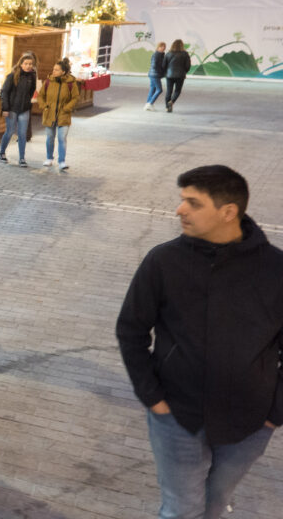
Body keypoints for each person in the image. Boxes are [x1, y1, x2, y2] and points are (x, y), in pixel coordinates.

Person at [116, 165, 282, 519]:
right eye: (182, 200)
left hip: (250, 422)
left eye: (193, 203)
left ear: (228, 212)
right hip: (177, 416)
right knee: (182, 509)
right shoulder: (163, 261)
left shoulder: (276, 269)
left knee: (216, 501)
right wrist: (153, 397)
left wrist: (275, 412)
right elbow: (131, 329)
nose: (180, 210)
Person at [0, 51, 38, 166]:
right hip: (11, 109)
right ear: (21, 64)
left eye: (30, 64)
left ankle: (22, 158)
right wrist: (5, 108)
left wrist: (27, 103)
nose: (28, 66)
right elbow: (4, 92)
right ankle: (2, 153)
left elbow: (31, 91)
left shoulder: (32, 76)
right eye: (26, 63)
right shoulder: (12, 76)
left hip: (24, 109)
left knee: (22, 134)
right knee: (10, 131)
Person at [38, 58, 78, 172]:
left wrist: (67, 108)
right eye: (53, 69)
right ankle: (49, 158)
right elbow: (41, 96)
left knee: (62, 138)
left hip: (63, 115)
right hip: (49, 114)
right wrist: (44, 106)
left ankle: (62, 161)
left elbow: (75, 98)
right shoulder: (48, 82)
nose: (53, 71)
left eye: (56, 70)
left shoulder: (71, 83)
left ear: (63, 72)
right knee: (50, 138)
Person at [165, 39, 192, 112]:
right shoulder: (185, 54)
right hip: (180, 75)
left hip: (169, 75)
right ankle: (172, 102)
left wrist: (166, 72)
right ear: (182, 45)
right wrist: (184, 72)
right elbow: (188, 66)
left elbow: (164, 65)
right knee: (177, 91)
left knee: (169, 91)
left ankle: (167, 107)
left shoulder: (168, 53)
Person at [146, 42, 168, 111]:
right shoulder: (156, 55)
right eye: (162, 46)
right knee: (159, 90)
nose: (163, 48)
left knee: (153, 89)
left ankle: (147, 104)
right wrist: (161, 71)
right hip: (155, 74)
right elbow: (154, 65)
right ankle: (150, 103)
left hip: (153, 74)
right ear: (158, 47)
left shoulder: (161, 55)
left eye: (164, 47)